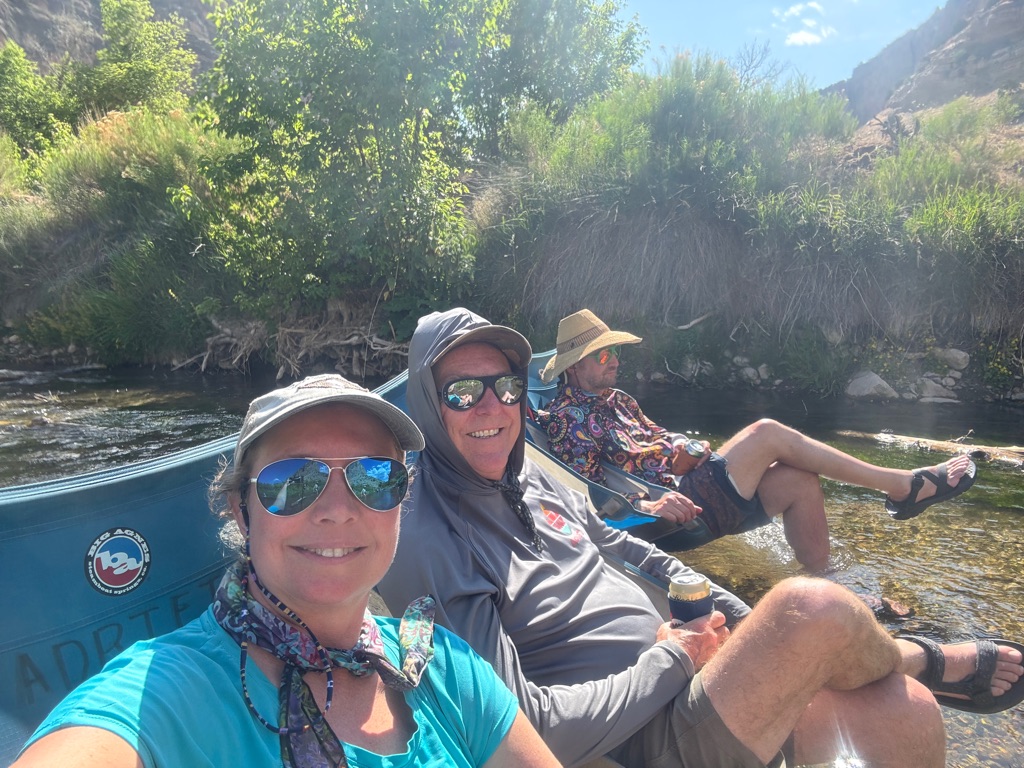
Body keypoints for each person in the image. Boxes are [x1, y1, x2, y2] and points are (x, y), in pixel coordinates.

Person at [376, 306, 1024, 768]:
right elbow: (520, 727)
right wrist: (677, 658)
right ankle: (921, 654)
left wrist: (737, 617)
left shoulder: (527, 475)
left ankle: (885, 652)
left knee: (903, 711)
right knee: (810, 608)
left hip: (691, 669)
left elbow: (617, 546)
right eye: (463, 393)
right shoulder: (427, 534)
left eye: (506, 386)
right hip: (642, 736)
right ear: (429, 404)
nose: (492, 406)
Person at [14, 374, 560, 768]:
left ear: (401, 501)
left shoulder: (444, 667)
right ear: (242, 511)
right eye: (294, 479)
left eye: (375, 477)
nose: (338, 509)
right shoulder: (170, 694)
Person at [537, 309, 978, 570]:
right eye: (603, 354)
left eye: (615, 351)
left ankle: (826, 584)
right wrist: (649, 507)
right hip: (669, 513)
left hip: (693, 483)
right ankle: (903, 486)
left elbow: (660, 438)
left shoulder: (618, 400)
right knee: (766, 433)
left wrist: (687, 447)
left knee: (799, 480)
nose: (615, 361)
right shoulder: (565, 419)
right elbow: (585, 498)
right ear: (574, 367)